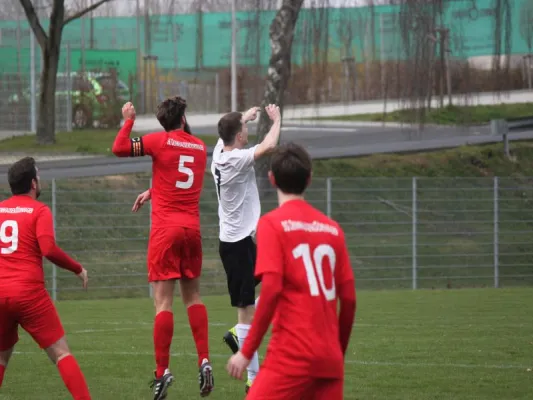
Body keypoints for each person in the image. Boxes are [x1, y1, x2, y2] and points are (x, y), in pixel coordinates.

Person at [226, 143, 357, 400]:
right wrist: (336, 352)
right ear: (309, 179)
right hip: (330, 361)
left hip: (291, 356)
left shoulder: (272, 225)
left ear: (272, 179)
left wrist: (246, 351)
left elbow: (271, 289)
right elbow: (349, 301)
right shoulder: (333, 230)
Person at [111, 97, 214, 399]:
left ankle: (161, 372)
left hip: (165, 231)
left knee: (163, 304)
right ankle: (204, 359)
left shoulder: (159, 141)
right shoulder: (199, 147)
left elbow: (119, 148)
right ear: (183, 118)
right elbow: (181, 178)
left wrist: (128, 119)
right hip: (192, 230)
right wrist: (153, 190)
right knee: (193, 296)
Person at [0, 157, 91, 399]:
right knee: (61, 353)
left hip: (0, 292)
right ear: (32, 183)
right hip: (28, 293)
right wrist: (77, 268)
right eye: (38, 177)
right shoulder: (39, 210)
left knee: (1, 355)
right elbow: (48, 249)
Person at [211, 104, 281, 393]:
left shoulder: (218, 152)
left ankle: (237, 334)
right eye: (245, 129)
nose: (248, 131)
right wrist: (277, 120)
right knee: (246, 310)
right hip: (236, 246)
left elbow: (227, 127)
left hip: (242, 241)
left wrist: (245, 116)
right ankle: (253, 377)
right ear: (238, 138)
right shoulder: (236, 160)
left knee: (277, 277)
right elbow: (269, 145)